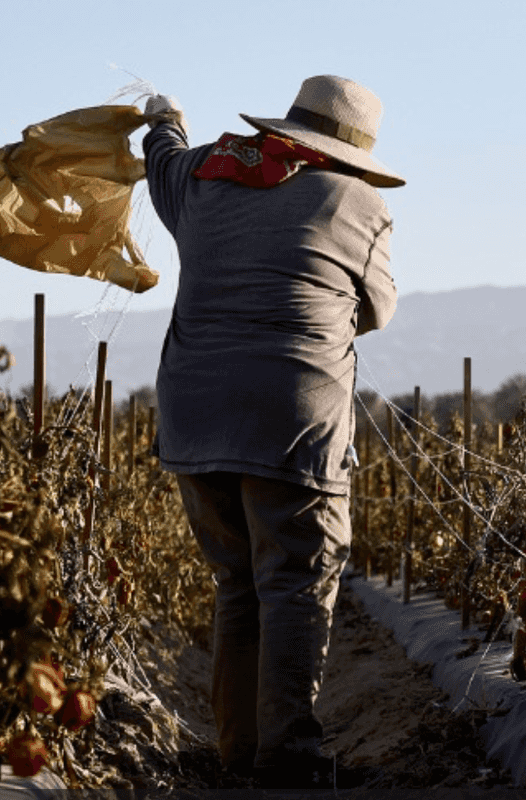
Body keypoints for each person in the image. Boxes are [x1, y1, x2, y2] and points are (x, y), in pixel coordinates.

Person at [141, 75, 403, 792]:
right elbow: (376, 309)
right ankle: (287, 753)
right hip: (295, 420)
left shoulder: (201, 175)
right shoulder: (360, 204)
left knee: (237, 584)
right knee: (294, 581)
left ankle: (239, 749)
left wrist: (165, 118)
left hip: (195, 420)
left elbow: (161, 156)